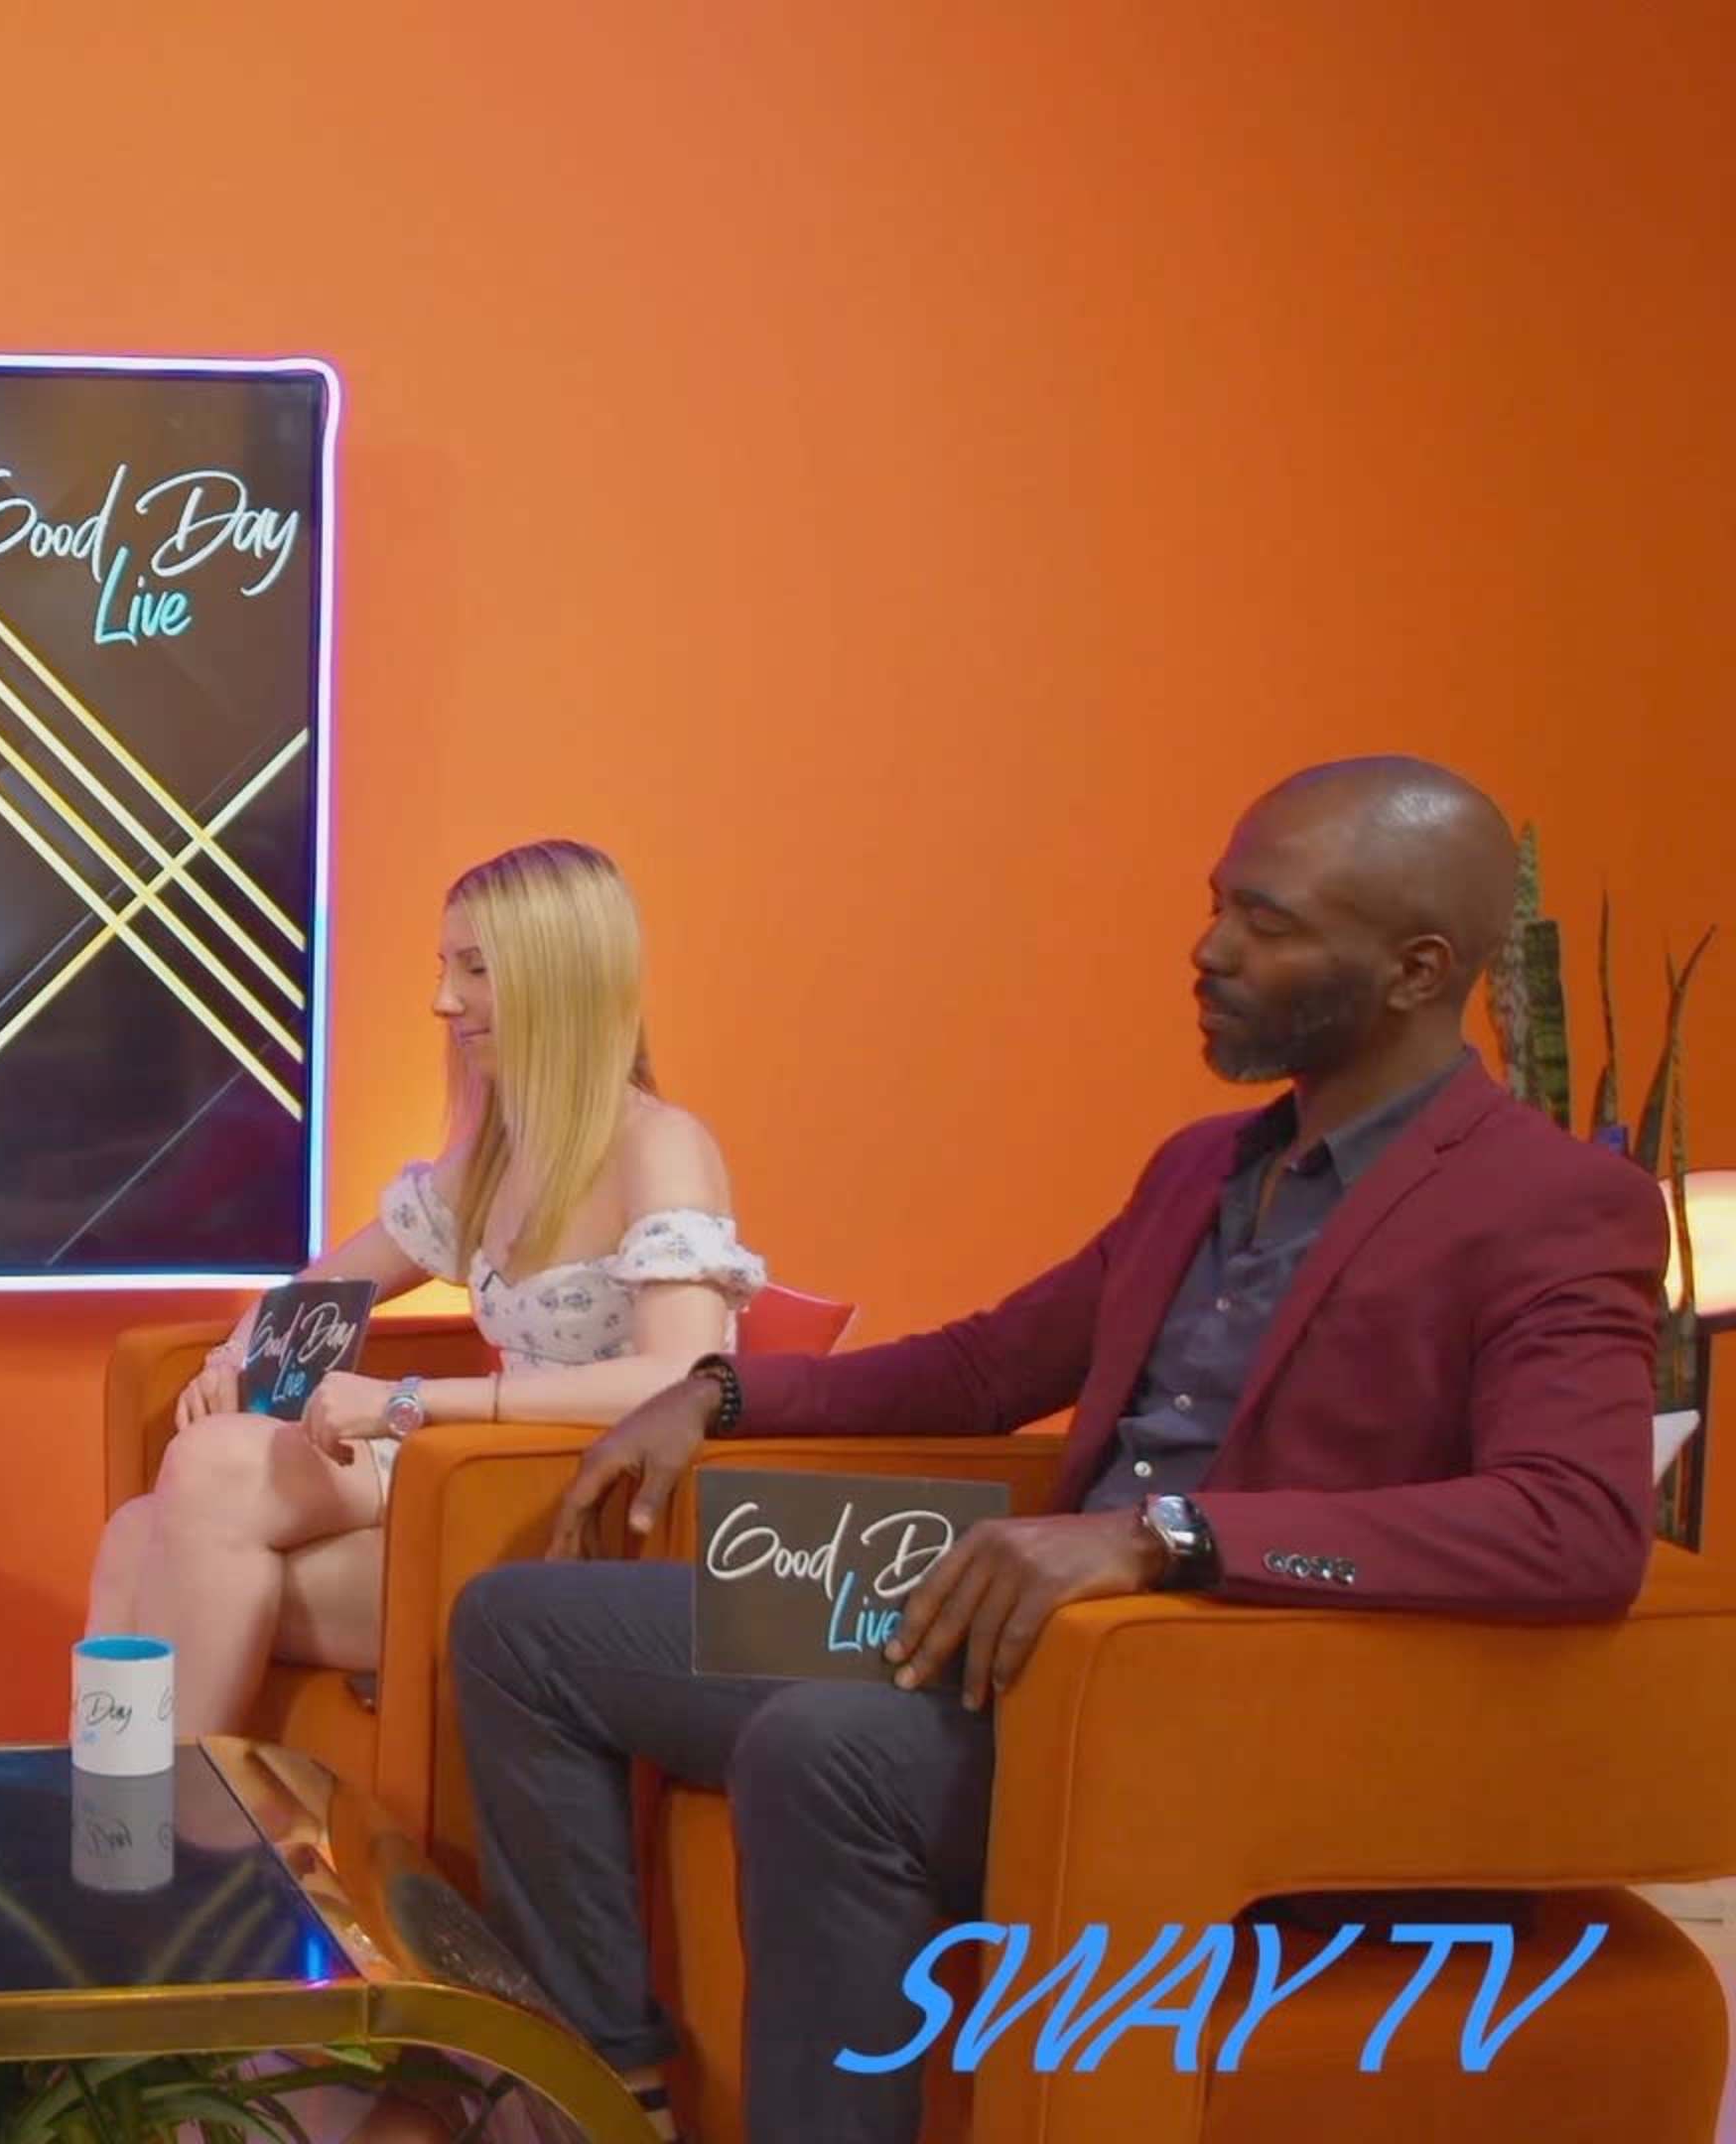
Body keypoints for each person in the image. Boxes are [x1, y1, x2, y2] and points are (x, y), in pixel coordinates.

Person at [452, 758, 1668, 2143]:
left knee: (825, 1749)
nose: (1208, 949)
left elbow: (1574, 1523)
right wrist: (722, 1393)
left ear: (1415, 968)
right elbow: (985, 1365)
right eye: (1217, 905)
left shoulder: (1558, 1205)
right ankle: (602, 2091)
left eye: (1265, 922)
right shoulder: (1203, 1167)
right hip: (1008, 1646)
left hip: (1204, 1697)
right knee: (522, 1627)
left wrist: (1168, 1542)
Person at [84, 841, 767, 1736]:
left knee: (179, 1523)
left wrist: (409, 1401)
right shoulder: (495, 1152)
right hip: (459, 1467)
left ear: (559, 978)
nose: (443, 1001)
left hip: (563, 1497)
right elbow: (325, 1285)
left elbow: (680, 1375)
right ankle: (116, 1827)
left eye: (476, 969)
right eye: (445, 967)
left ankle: (165, 1841)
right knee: (147, 1528)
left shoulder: (661, 1146)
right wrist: (229, 1356)